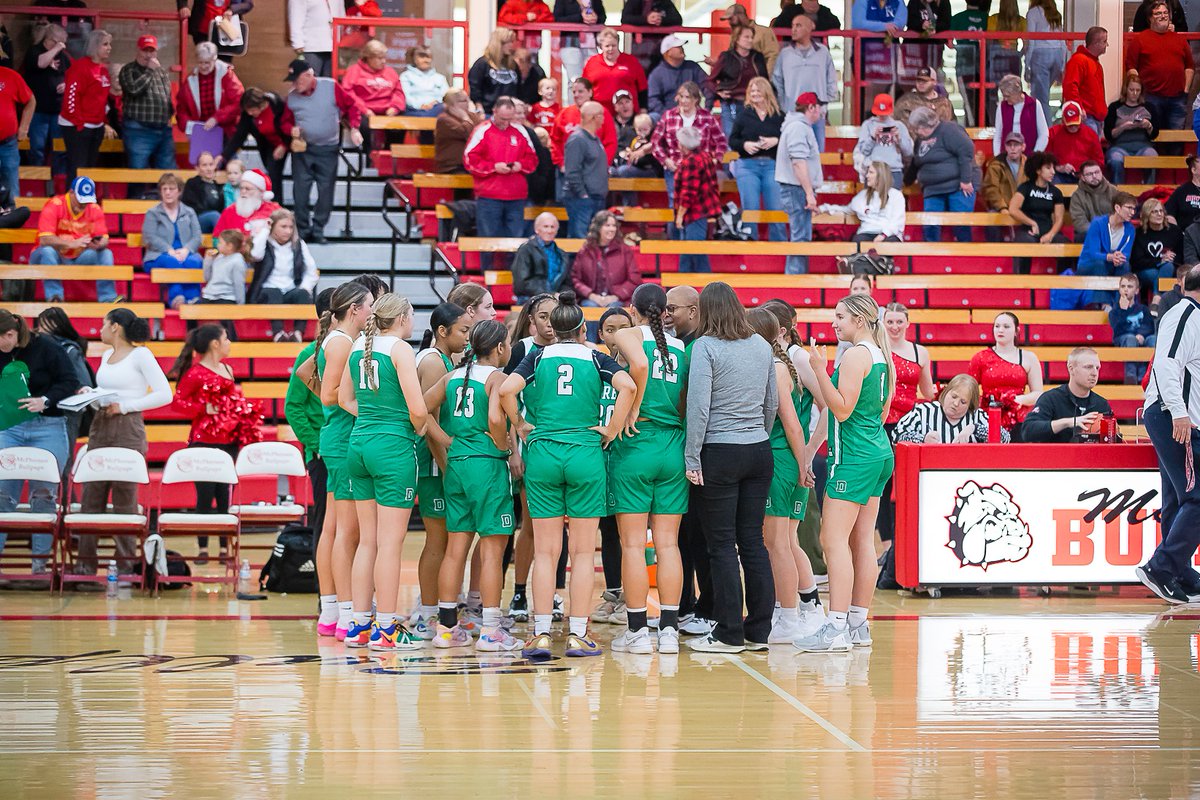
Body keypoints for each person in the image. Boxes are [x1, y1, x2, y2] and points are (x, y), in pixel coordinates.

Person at [499, 292, 636, 660]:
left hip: (544, 453)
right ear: (581, 329)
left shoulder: (537, 356)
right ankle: (577, 634)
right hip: (585, 453)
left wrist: (521, 423)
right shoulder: (596, 357)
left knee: (546, 552)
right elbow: (628, 386)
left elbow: (507, 390)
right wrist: (612, 428)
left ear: (554, 329)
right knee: (581, 552)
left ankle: (541, 634)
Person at [793, 293, 893, 653]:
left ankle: (834, 627)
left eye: (840, 317)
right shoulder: (881, 355)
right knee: (862, 541)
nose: (834, 323)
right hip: (878, 452)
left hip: (853, 458)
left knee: (832, 540)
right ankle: (857, 625)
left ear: (859, 320)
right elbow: (881, 412)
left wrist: (820, 371)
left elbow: (842, 409)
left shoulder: (854, 355)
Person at [682, 282, 777, 653]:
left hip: (719, 451)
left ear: (706, 311)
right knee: (753, 542)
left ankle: (729, 633)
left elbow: (698, 406)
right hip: (758, 449)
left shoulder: (706, 346)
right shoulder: (761, 345)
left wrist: (693, 456)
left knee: (721, 545)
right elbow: (771, 403)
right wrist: (757, 434)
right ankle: (759, 631)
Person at [421, 320, 522, 651]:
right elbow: (494, 418)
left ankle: (446, 629)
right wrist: (503, 446)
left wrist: (447, 441)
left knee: (455, 548)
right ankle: (491, 631)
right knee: (493, 550)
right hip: (486, 465)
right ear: (499, 348)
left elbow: (419, 410)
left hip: (457, 464)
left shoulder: (452, 377)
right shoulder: (497, 378)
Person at [341, 293, 429, 650]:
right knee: (391, 544)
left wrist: (374, 418)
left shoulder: (357, 346)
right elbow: (418, 410)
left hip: (359, 445)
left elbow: (344, 399)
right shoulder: (400, 349)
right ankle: (388, 629)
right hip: (392, 449)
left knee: (368, 541)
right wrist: (417, 428)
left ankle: (359, 626)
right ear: (403, 318)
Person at [607, 284, 689, 654]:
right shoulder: (681, 347)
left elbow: (639, 365)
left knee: (633, 544)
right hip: (673, 445)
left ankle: (638, 631)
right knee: (669, 543)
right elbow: (684, 399)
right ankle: (669, 630)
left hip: (636, 442)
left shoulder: (630, 334)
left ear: (633, 309)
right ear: (666, 311)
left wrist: (635, 405)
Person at [744, 307, 826, 643]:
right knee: (788, 541)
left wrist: (805, 458)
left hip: (781, 459)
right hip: (792, 458)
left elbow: (792, 424)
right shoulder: (782, 364)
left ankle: (788, 615)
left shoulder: (778, 368)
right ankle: (806, 607)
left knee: (775, 542)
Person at [76, 309, 171, 577]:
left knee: (125, 496)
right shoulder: (106, 355)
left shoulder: (141, 354)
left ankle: (126, 565)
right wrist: (91, 395)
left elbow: (165, 394)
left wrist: (126, 406)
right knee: (91, 494)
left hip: (128, 425)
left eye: (103, 324)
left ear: (115, 327)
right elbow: (108, 392)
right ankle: (84, 566)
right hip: (101, 422)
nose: (100, 329)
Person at [311, 282, 375, 640]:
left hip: (339, 438)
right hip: (342, 438)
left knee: (337, 529)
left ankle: (333, 610)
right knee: (347, 532)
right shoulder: (340, 342)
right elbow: (329, 394)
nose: (372, 312)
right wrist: (369, 404)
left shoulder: (339, 339)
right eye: (369, 306)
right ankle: (347, 612)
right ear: (355, 310)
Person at [169, 324, 262, 562]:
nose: (229, 343)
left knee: (225, 495)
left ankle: (224, 547)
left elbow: (232, 401)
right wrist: (203, 408)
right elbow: (177, 403)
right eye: (226, 338)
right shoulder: (195, 373)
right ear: (215, 344)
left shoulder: (228, 369)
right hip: (203, 441)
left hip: (229, 439)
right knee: (204, 495)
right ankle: (202, 547)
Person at [405, 303, 470, 642]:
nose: (468, 337)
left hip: (440, 460)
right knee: (436, 541)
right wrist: (447, 466)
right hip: (433, 462)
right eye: (463, 330)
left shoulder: (443, 359)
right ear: (442, 331)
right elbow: (425, 419)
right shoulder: (432, 361)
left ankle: (437, 609)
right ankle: (427, 614)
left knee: (443, 541)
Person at [1137, 265, 1200, 604]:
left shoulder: (1191, 315)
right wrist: (1178, 411)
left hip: (1178, 415)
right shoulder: (1185, 313)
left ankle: (1180, 572)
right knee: (1197, 497)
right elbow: (1165, 364)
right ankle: (1161, 568)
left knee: (1179, 497)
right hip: (1173, 415)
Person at [0, 309, 80, 576]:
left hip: (48, 425)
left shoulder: (46, 347)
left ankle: (40, 565)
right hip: (10, 426)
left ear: (12, 333)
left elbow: (70, 381)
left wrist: (45, 400)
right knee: (2, 495)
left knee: (43, 495)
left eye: (3, 340)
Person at [285, 59, 364, 243]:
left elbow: (351, 106)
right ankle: (303, 230)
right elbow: (284, 122)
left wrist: (354, 128)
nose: (294, 84)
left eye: (297, 80)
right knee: (300, 192)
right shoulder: (291, 97)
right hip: (303, 150)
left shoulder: (330, 87)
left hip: (328, 149)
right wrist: (290, 129)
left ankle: (318, 229)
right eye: (292, 81)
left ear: (308, 75)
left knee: (326, 191)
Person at [463, 96, 538, 266]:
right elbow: (469, 159)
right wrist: (493, 167)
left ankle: (513, 276)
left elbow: (533, 159)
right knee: (487, 240)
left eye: (509, 119)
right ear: (494, 112)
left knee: (516, 241)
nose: (505, 123)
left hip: (516, 196)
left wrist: (520, 165)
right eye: (502, 118)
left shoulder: (520, 131)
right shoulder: (482, 130)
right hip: (489, 196)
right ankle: (486, 274)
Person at [32, 177, 119, 304]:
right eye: (80, 200)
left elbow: (104, 238)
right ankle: (55, 297)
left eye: (86, 201)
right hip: (54, 254)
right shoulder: (54, 204)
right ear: (71, 193)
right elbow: (44, 239)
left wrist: (99, 244)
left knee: (106, 253)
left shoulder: (94, 208)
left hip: (80, 255)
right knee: (47, 251)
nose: (83, 205)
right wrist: (70, 243)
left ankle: (108, 298)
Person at [650, 81, 726, 209]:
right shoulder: (668, 116)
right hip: (675, 168)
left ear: (696, 99)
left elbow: (721, 141)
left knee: (700, 206)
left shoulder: (707, 117)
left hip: (701, 169)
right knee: (676, 205)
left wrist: (715, 159)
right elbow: (655, 142)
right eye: (681, 96)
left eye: (688, 97)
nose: (684, 101)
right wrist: (665, 160)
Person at [968, 311, 1043, 440]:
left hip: (1018, 418)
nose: (1000, 330)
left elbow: (1038, 394)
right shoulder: (980, 358)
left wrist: (1014, 400)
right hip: (987, 417)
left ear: (1016, 331)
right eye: (997, 326)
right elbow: (968, 390)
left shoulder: (1029, 357)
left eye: (1006, 326)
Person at [248, 208, 318, 342]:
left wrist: (304, 287)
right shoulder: (264, 242)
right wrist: (265, 230)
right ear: (273, 226)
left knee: (302, 293)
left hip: (289, 289)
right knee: (274, 292)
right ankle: (278, 333)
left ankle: (297, 333)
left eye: (291, 227)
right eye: (283, 227)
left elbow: (311, 271)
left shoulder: (298, 244)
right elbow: (255, 255)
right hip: (266, 291)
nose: (288, 231)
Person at [907, 106, 975, 244]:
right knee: (930, 224)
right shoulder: (920, 140)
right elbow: (916, 162)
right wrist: (906, 181)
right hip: (932, 189)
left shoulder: (949, 130)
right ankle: (931, 253)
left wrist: (966, 180)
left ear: (926, 125)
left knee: (960, 223)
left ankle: (965, 251)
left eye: (917, 128)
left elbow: (966, 150)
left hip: (957, 186)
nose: (916, 132)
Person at [1125, 1, 1195, 134]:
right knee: (1151, 137)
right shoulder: (1140, 40)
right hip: (1151, 98)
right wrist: (1139, 91)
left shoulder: (1180, 39)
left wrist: (1185, 90)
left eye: (1165, 13)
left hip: (1177, 100)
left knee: (1176, 139)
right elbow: (1131, 67)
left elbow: (1190, 67)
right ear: (1150, 18)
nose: (1163, 16)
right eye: (1158, 13)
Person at [730, 77, 786, 242]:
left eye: (758, 90)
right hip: (748, 166)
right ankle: (750, 243)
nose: (754, 94)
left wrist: (776, 140)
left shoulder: (779, 116)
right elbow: (732, 140)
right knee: (750, 208)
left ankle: (779, 246)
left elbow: (789, 138)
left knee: (775, 208)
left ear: (766, 92)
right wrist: (745, 145)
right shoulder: (743, 115)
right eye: (752, 91)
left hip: (772, 165)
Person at [58, 29, 115, 183]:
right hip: (76, 126)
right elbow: (71, 98)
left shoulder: (103, 70)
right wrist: (79, 123)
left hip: (96, 125)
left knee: (89, 168)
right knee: (78, 167)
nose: (109, 48)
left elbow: (102, 100)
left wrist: (104, 123)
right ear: (94, 46)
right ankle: (72, 197)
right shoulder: (80, 68)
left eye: (109, 44)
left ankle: (86, 197)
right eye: (105, 44)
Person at [1022, 347, 1113, 443]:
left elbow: (1111, 441)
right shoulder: (1051, 399)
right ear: (1071, 368)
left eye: (1097, 368)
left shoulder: (1101, 404)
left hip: (1090, 452)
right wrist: (1068, 422)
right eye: (1088, 367)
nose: (1094, 373)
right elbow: (1028, 431)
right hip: (1057, 452)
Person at [777, 92, 823, 275]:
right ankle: (795, 281)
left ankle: (797, 279)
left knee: (801, 237)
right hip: (796, 189)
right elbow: (798, 162)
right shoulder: (798, 128)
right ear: (811, 107)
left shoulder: (796, 126)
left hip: (795, 189)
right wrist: (809, 193)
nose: (820, 110)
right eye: (818, 106)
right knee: (800, 238)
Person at [142, 173, 204, 309]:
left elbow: (197, 236)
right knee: (172, 261)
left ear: (179, 191)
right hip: (158, 255)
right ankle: (177, 298)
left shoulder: (189, 212)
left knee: (194, 261)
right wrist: (168, 250)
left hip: (185, 253)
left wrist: (186, 250)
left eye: (171, 189)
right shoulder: (153, 213)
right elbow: (149, 237)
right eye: (164, 189)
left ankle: (193, 299)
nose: (168, 192)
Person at [893, 374, 1008, 444]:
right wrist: (922, 438)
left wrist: (975, 428)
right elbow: (897, 435)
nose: (956, 403)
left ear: (970, 405)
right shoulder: (923, 411)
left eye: (963, 402)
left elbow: (1005, 438)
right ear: (946, 392)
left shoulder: (977, 416)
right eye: (953, 396)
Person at [118, 35, 177, 171]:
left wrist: (170, 114)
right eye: (145, 51)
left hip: (163, 129)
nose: (149, 55)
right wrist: (150, 70)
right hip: (138, 130)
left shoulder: (161, 72)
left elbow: (166, 96)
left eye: (152, 51)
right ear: (138, 50)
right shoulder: (128, 70)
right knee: (138, 171)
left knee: (168, 172)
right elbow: (134, 90)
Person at [221, 87, 293, 196]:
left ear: (261, 104)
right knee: (273, 176)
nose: (250, 113)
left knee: (297, 174)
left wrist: (284, 145)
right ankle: (275, 204)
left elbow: (289, 122)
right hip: (270, 145)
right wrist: (224, 156)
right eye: (248, 110)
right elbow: (239, 136)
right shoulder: (248, 115)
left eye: (252, 110)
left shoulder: (277, 105)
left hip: (289, 140)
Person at [1008, 151, 1068, 274]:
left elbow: (1059, 219)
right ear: (1038, 170)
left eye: (1053, 168)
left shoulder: (1056, 192)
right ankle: (1020, 281)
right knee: (1023, 245)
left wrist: (1050, 235)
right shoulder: (1025, 187)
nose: (1053, 172)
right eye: (1048, 168)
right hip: (1028, 231)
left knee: (1066, 245)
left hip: (1049, 230)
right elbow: (1013, 209)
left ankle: (1063, 281)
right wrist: (1032, 223)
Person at [706, 25, 769, 141]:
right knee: (732, 139)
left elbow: (765, 80)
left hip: (753, 104)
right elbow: (711, 80)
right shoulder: (726, 57)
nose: (750, 40)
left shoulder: (757, 57)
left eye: (752, 37)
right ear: (737, 39)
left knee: (752, 139)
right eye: (746, 37)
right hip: (731, 102)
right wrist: (718, 91)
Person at [21, 22, 68, 173]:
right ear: (50, 39)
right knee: (37, 148)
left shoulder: (63, 57)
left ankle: (58, 181)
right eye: (59, 42)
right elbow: (41, 63)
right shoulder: (34, 51)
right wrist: (56, 48)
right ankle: (37, 181)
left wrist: (66, 84)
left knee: (59, 149)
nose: (62, 46)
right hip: (38, 111)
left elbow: (72, 75)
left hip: (57, 110)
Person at [340, 38, 406, 146]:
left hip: (387, 110)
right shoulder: (354, 71)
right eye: (379, 58)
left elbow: (398, 92)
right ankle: (368, 155)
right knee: (364, 126)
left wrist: (395, 107)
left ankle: (391, 154)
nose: (383, 61)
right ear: (368, 58)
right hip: (363, 110)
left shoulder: (390, 72)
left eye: (384, 58)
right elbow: (347, 93)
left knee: (399, 125)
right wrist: (364, 110)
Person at [176, 41, 244, 144]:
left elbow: (238, 101)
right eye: (200, 62)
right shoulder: (190, 80)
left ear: (214, 59)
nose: (203, 66)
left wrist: (216, 118)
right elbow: (182, 108)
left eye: (207, 62)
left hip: (225, 131)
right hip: (201, 133)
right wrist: (189, 126)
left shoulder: (226, 75)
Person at [1078, 192, 1138, 308]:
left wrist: (1119, 258)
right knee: (1100, 263)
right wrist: (1111, 257)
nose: (1132, 212)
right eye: (1129, 208)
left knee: (1125, 265)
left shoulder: (1130, 229)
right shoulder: (1098, 223)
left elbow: (1127, 254)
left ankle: (1121, 303)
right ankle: (1104, 304)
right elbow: (1093, 253)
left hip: (1112, 265)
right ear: (1117, 208)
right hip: (1090, 264)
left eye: (1134, 209)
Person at [673, 126, 720, 274]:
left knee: (695, 253)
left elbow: (688, 192)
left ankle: (701, 284)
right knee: (690, 253)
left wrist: (680, 215)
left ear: (683, 144)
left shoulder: (691, 162)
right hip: (703, 210)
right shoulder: (705, 156)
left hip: (695, 214)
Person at [819, 162, 905, 243]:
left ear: (881, 175)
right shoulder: (862, 195)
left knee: (890, 244)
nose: (867, 176)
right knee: (857, 241)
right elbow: (847, 209)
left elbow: (897, 221)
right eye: (868, 172)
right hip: (866, 232)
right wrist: (824, 208)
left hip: (889, 235)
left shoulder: (896, 195)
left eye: (871, 172)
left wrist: (883, 235)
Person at [573, 209, 641, 311]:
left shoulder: (625, 250)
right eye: (607, 225)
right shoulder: (585, 251)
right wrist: (591, 295)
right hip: (591, 299)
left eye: (614, 226)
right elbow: (576, 279)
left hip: (618, 299)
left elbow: (634, 279)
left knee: (614, 309)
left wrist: (616, 296)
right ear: (598, 228)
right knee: (590, 307)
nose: (612, 229)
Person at [562, 101, 609, 239]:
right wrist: (582, 194)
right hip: (581, 200)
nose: (604, 119)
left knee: (594, 240)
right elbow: (572, 171)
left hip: (596, 197)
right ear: (595, 117)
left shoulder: (594, 139)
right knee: (579, 240)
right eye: (602, 115)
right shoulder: (577, 139)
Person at [550, 78, 619, 169]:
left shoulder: (601, 112)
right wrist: (561, 163)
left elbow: (610, 142)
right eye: (574, 92)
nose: (576, 95)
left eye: (580, 91)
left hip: (594, 168)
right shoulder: (564, 114)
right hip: (568, 169)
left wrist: (601, 165)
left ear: (590, 92)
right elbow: (555, 140)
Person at [1105, 72, 1160, 184]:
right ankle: (1118, 190)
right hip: (1119, 147)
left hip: (1143, 146)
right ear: (1126, 90)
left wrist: (1148, 126)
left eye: (1138, 90)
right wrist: (1123, 127)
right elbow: (1108, 135)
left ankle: (1148, 190)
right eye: (1131, 90)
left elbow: (1154, 134)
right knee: (1115, 160)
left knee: (1152, 156)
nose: (1135, 93)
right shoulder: (1114, 107)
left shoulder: (1149, 107)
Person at [584, 28, 649, 114]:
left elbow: (642, 87)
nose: (610, 49)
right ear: (601, 46)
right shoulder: (592, 62)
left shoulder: (631, 61)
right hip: (599, 113)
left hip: (626, 114)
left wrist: (643, 109)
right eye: (607, 46)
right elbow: (584, 88)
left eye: (613, 45)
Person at [853, 93, 913, 187]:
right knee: (872, 197)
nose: (882, 116)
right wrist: (873, 138)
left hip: (894, 170)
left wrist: (899, 139)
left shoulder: (899, 126)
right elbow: (863, 151)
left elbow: (908, 153)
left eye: (884, 113)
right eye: (880, 113)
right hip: (874, 170)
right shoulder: (868, 125)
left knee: (893, 196)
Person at [512, 214, 571, 306]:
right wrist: (550, 294)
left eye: (552, 227)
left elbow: (566, 283)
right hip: (530, 298)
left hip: (556, 299)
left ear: (557, 230)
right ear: (537, 229)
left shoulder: (562, 254)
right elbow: (521, 283)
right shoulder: (526, 250)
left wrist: (563, 295)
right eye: (545, 226)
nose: (549, 231)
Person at [1024, 0, 1067, 123]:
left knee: (1041, 98)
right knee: (1044, 93)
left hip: (1040, 53)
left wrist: (1027, 64)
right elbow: (1062, 40)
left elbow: (1032, 40)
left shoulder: (1033, 12)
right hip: (1057, 53)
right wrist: (1063, 63)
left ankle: (1045, 128)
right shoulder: (1055, 13)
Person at [1111, 273, 1158, 384]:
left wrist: (1141, 335)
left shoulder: (1143, 309)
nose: (1126, 289)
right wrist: (1123, 310)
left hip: (1142, 338)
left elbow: (1149, 326)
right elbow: (1118, 329)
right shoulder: (1115, 311)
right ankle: (1131, 376)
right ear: (1119, 289)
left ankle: (1151, 375)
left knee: (1153, 339)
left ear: (1136, 291)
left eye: (1130, 286)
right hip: (1124, 339)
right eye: (1123, 286)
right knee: (1130, 338)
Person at [647, 35, 708, 119]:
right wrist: (668, 115)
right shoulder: (656, 74)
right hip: (665, 116)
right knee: (647, 119)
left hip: (692, 114)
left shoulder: (693, 67)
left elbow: (707, 86)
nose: (682, 48)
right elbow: (653, 100)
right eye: (678, 47)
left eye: (681, 46)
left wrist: (707, 109)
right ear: (668, 52)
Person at [1062, 26, 1107, 137]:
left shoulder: (1093, 63)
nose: (1107, 45)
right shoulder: (1079, 61)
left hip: (1095, 118)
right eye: (1104, 41)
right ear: (1096, 43)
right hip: (1087, 117)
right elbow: (1070, 86)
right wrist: (1078, 108)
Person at [1133, 198, 1182, 298]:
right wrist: (1160, 260)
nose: (1159, 214)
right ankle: (1160, 299)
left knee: (1168, 266)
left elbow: (1181, 256)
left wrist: (1171, 258)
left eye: (1161, 211)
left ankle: (1157, 298)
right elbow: (1137, 261)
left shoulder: (1174, 231)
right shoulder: (1139, 233)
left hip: (1170, 269)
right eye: (1154, 212)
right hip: (1146, 270)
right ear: (1147, 214)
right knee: (1158, 274)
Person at [213, 168, 280, 239]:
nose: (243, 191)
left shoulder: (273, 211)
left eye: (248, 189)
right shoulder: (229, 211)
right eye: (241, 188)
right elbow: (217, 238)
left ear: (260, 192)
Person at [992, 74, 1048, 158]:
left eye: (1008, 96)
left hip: (1030, 156)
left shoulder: (1034, 104)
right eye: (1004, 96)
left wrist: (1034, 156)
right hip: (1007, 158)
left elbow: (1043, 134)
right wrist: (998, 157)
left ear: (1017, 93)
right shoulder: (1002, 107)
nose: (1005, 99)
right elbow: (998, 135)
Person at [468, 28, 520, 116]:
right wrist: (479, 107)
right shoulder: (482, 64)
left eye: (512, 42)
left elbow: (519, 89)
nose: (511, 45)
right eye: (508, 42)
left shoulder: (512, 64)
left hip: (511, 113)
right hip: (489, 112)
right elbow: (475, 88)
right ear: (499, 44)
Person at [621, 0, 682, 72]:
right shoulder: (634, 2)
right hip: (640, 48)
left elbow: (677, 19)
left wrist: (661, 19)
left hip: (660, 48)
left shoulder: (665, 2)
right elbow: (625, 18)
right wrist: (646, 19)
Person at [0, 59, 31, 199]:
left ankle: (13, 213)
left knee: (12, 188)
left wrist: (24, 127)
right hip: (9, 144)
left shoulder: (11, 76)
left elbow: (30, 100)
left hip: (8, 143)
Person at [201, 227, 248, 318]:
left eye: (220, 242)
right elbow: (207, 278)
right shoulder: (219, 257)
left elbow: (239, 284)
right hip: (209, 296)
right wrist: (208, 260)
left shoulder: (237, 261)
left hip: (226, 298)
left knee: (225, 320)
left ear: (229, 246)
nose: (217, 245)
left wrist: (240, 304)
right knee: (192, 314)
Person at [719, 3, 780, 72]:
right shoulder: (735, 34)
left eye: (731, 19)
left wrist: (765, 76)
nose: (729, 23)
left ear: (741, 16)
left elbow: (773, 56)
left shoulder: (764, 32)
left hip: (758, 75)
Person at [287, 0, 341, 78]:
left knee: (328, 83)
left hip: (333, 47)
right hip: (310, 48)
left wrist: (341, 41)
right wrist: (297, 44)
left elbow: (341, 15)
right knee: (310, 82)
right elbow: (295, 18)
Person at [894, 67, 955, 135]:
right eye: (918, 80)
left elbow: (953, 126)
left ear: (934, 82)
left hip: (941, 140)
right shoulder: (906, 101)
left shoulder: (945, 103)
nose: (921, 83)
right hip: (915, 140)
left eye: (925, 81)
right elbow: (899, 125)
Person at [434, 89, 483, 174]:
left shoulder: (473, 116)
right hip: (453, 166)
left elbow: (483, 134)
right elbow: (469, 135)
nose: (468, 103)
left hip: (473, 163)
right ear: (452, 104)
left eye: (468, 99)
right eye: (464, 100)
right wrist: (465, 118)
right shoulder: (444, 120)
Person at [982, 130, 1025, 221]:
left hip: (1024, 208)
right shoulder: (995, 165)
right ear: (1005, 147)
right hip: (1000, 207)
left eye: (1016, 145)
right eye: (1009, 145)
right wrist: (1002, 207)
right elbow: (991, 189)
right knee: (991, 217)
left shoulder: (1029, 165)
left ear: (1023, 147)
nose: (1012, 148)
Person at [1068, 161, 1117, 241]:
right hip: (1089, 233)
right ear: (1082, 177)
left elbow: (1120, 215)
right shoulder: (1077, 196)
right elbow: (1079, 223)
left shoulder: (1113, 191)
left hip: (1112, 231)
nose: (1094, 176)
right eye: (1089, 174)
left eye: (1097, 172)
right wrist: (1099, 231)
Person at [178, 0, 256, 49]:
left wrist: (232, 10)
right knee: (205, 63)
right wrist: (183, 6)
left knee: (224, 65)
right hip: (202, 31)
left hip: (226, 33)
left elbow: (248, 4)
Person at [400, 46, 450, 119]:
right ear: (413, 59)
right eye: (422, 57)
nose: (426, 60)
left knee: (444, 108)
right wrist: (420, 106)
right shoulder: (406, 76)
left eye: (428, 57)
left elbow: (446, 97)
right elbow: (405, 96)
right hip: (414, 110)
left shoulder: (440, 78)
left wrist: (434, 104)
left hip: (436, 109)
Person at [986, 0, 1025, 90]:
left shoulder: (993, 19)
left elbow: (988, 41)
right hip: (1014, 57)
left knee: (994, 88)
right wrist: (1019, 54)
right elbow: (1027, 44)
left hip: (998, 56)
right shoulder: (1021, 21)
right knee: (1014, 89)